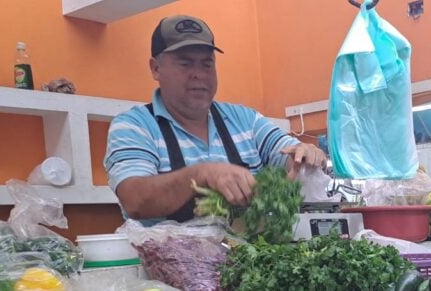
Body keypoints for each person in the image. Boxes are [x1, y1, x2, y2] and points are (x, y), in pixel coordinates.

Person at [104, 15, 326, 225]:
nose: (198, 73)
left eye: (207, 64)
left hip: (249, 261)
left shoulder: (246, 120)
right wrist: (202, 174)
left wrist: (304, 155)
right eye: (185, 63)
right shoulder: (134, 126)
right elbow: (134, 199)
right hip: (169, 263)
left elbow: (286, 152)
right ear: (155, 68)